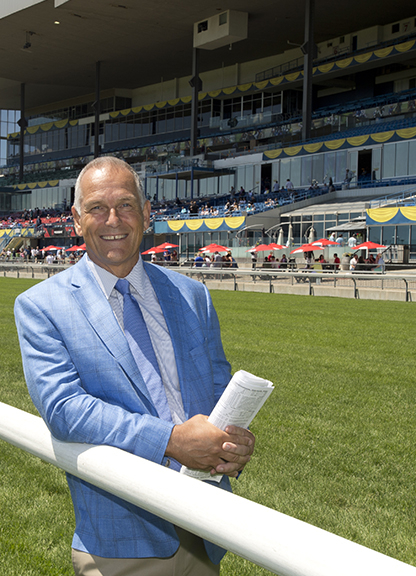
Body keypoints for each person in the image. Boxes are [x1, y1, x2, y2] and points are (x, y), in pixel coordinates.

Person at [14, 156, 255, 575]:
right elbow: (65, 410)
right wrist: (172, 440)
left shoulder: (192, 294)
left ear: (146, 213)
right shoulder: (41, 306)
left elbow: (218, 389)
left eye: (126, 205)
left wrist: (231, 441)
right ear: (76, 219)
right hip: (123, 544)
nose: (114, 220)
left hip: (207, 527)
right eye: (97, 208)